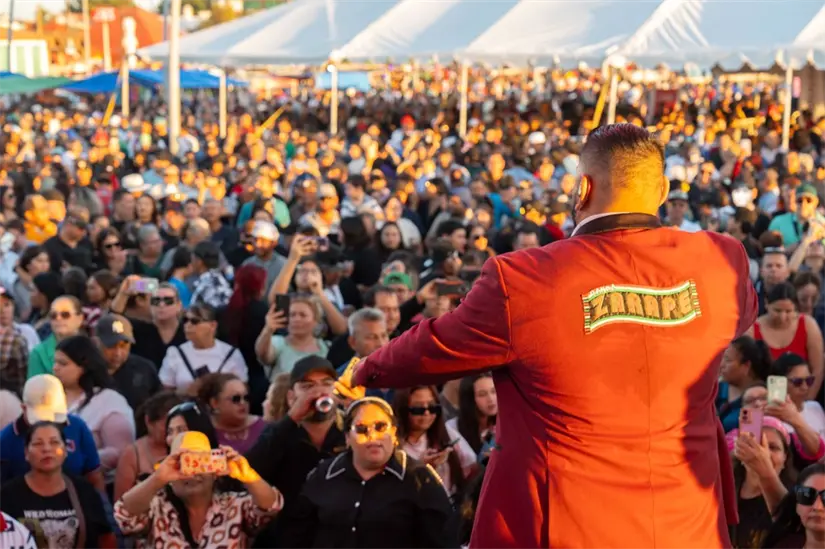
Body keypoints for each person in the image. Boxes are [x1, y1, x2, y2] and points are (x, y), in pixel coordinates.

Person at [353, 124, 758, 549]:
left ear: (582, 188)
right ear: (661, 190)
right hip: (688, 523)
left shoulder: (524, 279)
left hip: (566, 523)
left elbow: (434, 348)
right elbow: (744, 312)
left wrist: (367, 368)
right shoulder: (720, 260)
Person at [281, 397, 456, 549]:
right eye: (362, 429)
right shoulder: (324, 475)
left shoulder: (420, 478)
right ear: (348, 438)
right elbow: (296, 537)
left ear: (394, 433)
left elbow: (443, 540)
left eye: (380, 427)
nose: (373, 436)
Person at [114, 430, 283, 547]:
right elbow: (125, 515)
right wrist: (158, 478)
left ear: (215, 471)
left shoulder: (235, 505)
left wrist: (248, 475)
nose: (193, 473)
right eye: (184, 464)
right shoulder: (157, 507)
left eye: (201, 463)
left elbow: (271, 507)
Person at [245, 356, 346, 549]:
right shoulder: (279, 434)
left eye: (326, 384)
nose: (318, 392)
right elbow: (248, 473)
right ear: (291, 397)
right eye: (308, 386)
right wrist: (292, 418)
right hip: (286, 539)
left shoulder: (352, 432)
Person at [0, 421, 116, 549]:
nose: (47, 449)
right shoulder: (8, 495)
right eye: (38, 443)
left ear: (66, 451)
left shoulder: (84, 491)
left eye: (54, 442)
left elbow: (105, 537)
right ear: (26, 453)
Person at [0, 375, 104, 490]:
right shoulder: (5, 440)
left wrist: (100, 504)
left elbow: (94, 475)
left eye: (54, 415)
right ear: (24, 408)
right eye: (41, 417)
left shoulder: (78, 427)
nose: (48, 423)